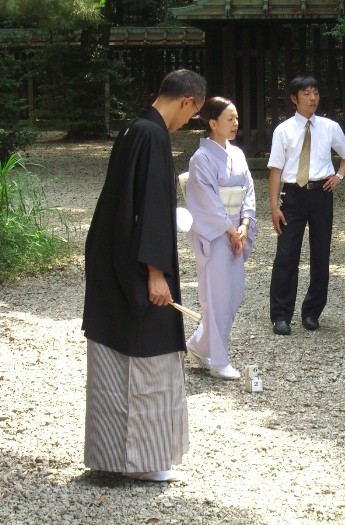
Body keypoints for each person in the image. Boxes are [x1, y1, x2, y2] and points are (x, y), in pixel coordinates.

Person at [82, 69, 206, 481]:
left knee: (115, 353)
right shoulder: (153, 136)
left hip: (113, 257)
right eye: (192, 115)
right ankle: (146, 461)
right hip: (137, 265)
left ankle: (111, 457)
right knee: (147, 352)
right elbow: (151, 207)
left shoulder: (132, 128)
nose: (187, 122)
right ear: (187, 101)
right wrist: (156, 273)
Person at [268, 74, 345, 335]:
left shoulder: (329, 127)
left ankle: (312, 312)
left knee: (321, 254)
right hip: (293, 195)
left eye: (315, 92)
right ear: (294, 98)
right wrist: (274, 206)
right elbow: (275, 170)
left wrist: (338, 176)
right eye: (306, 93)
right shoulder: (283, 130)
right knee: (286, 254)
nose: (312, 97)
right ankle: (281, 315)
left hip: (320, 194)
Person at [184, 97, 257, 380]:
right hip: (214, 234)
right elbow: (206, 201)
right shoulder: (200, 158)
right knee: (216, 296)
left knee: (233, 294)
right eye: (229, 119)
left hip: (236, 230)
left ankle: (199, 345)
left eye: (237, 118)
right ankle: (217, 358)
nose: (235, 123)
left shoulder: (237, 154)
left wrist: (245, 224)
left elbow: (248, 190)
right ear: (212, 123)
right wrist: (230, 229)